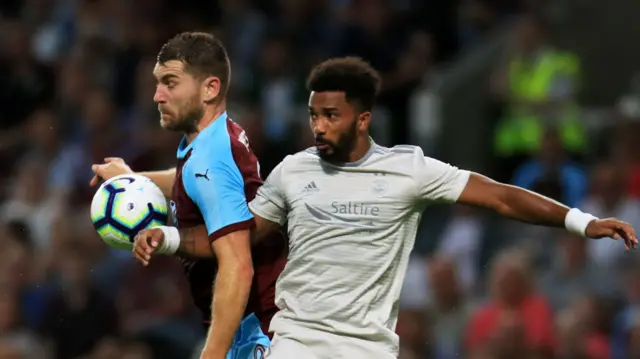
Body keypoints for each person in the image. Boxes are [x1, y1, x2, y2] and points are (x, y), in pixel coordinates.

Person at [115, 57, 635, 359]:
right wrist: (174, 238)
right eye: (314, 114)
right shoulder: (294, 171)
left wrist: (581, 221)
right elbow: (240, 239)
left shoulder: (409, 170)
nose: (318, 126)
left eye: (331, 116)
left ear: (363, 119)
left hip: (368, 349)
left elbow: (499, 194)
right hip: (297, 342)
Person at [90, 32, 285, 359]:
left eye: (170, 82)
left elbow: (237, 266)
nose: (157, 96)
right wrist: (132, 177)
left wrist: (213, 353)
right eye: (157, 83)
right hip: (259, 324)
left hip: (261, 329)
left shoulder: (212, 160)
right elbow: (186, 181)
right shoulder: (211, 140)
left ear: (210, 88)